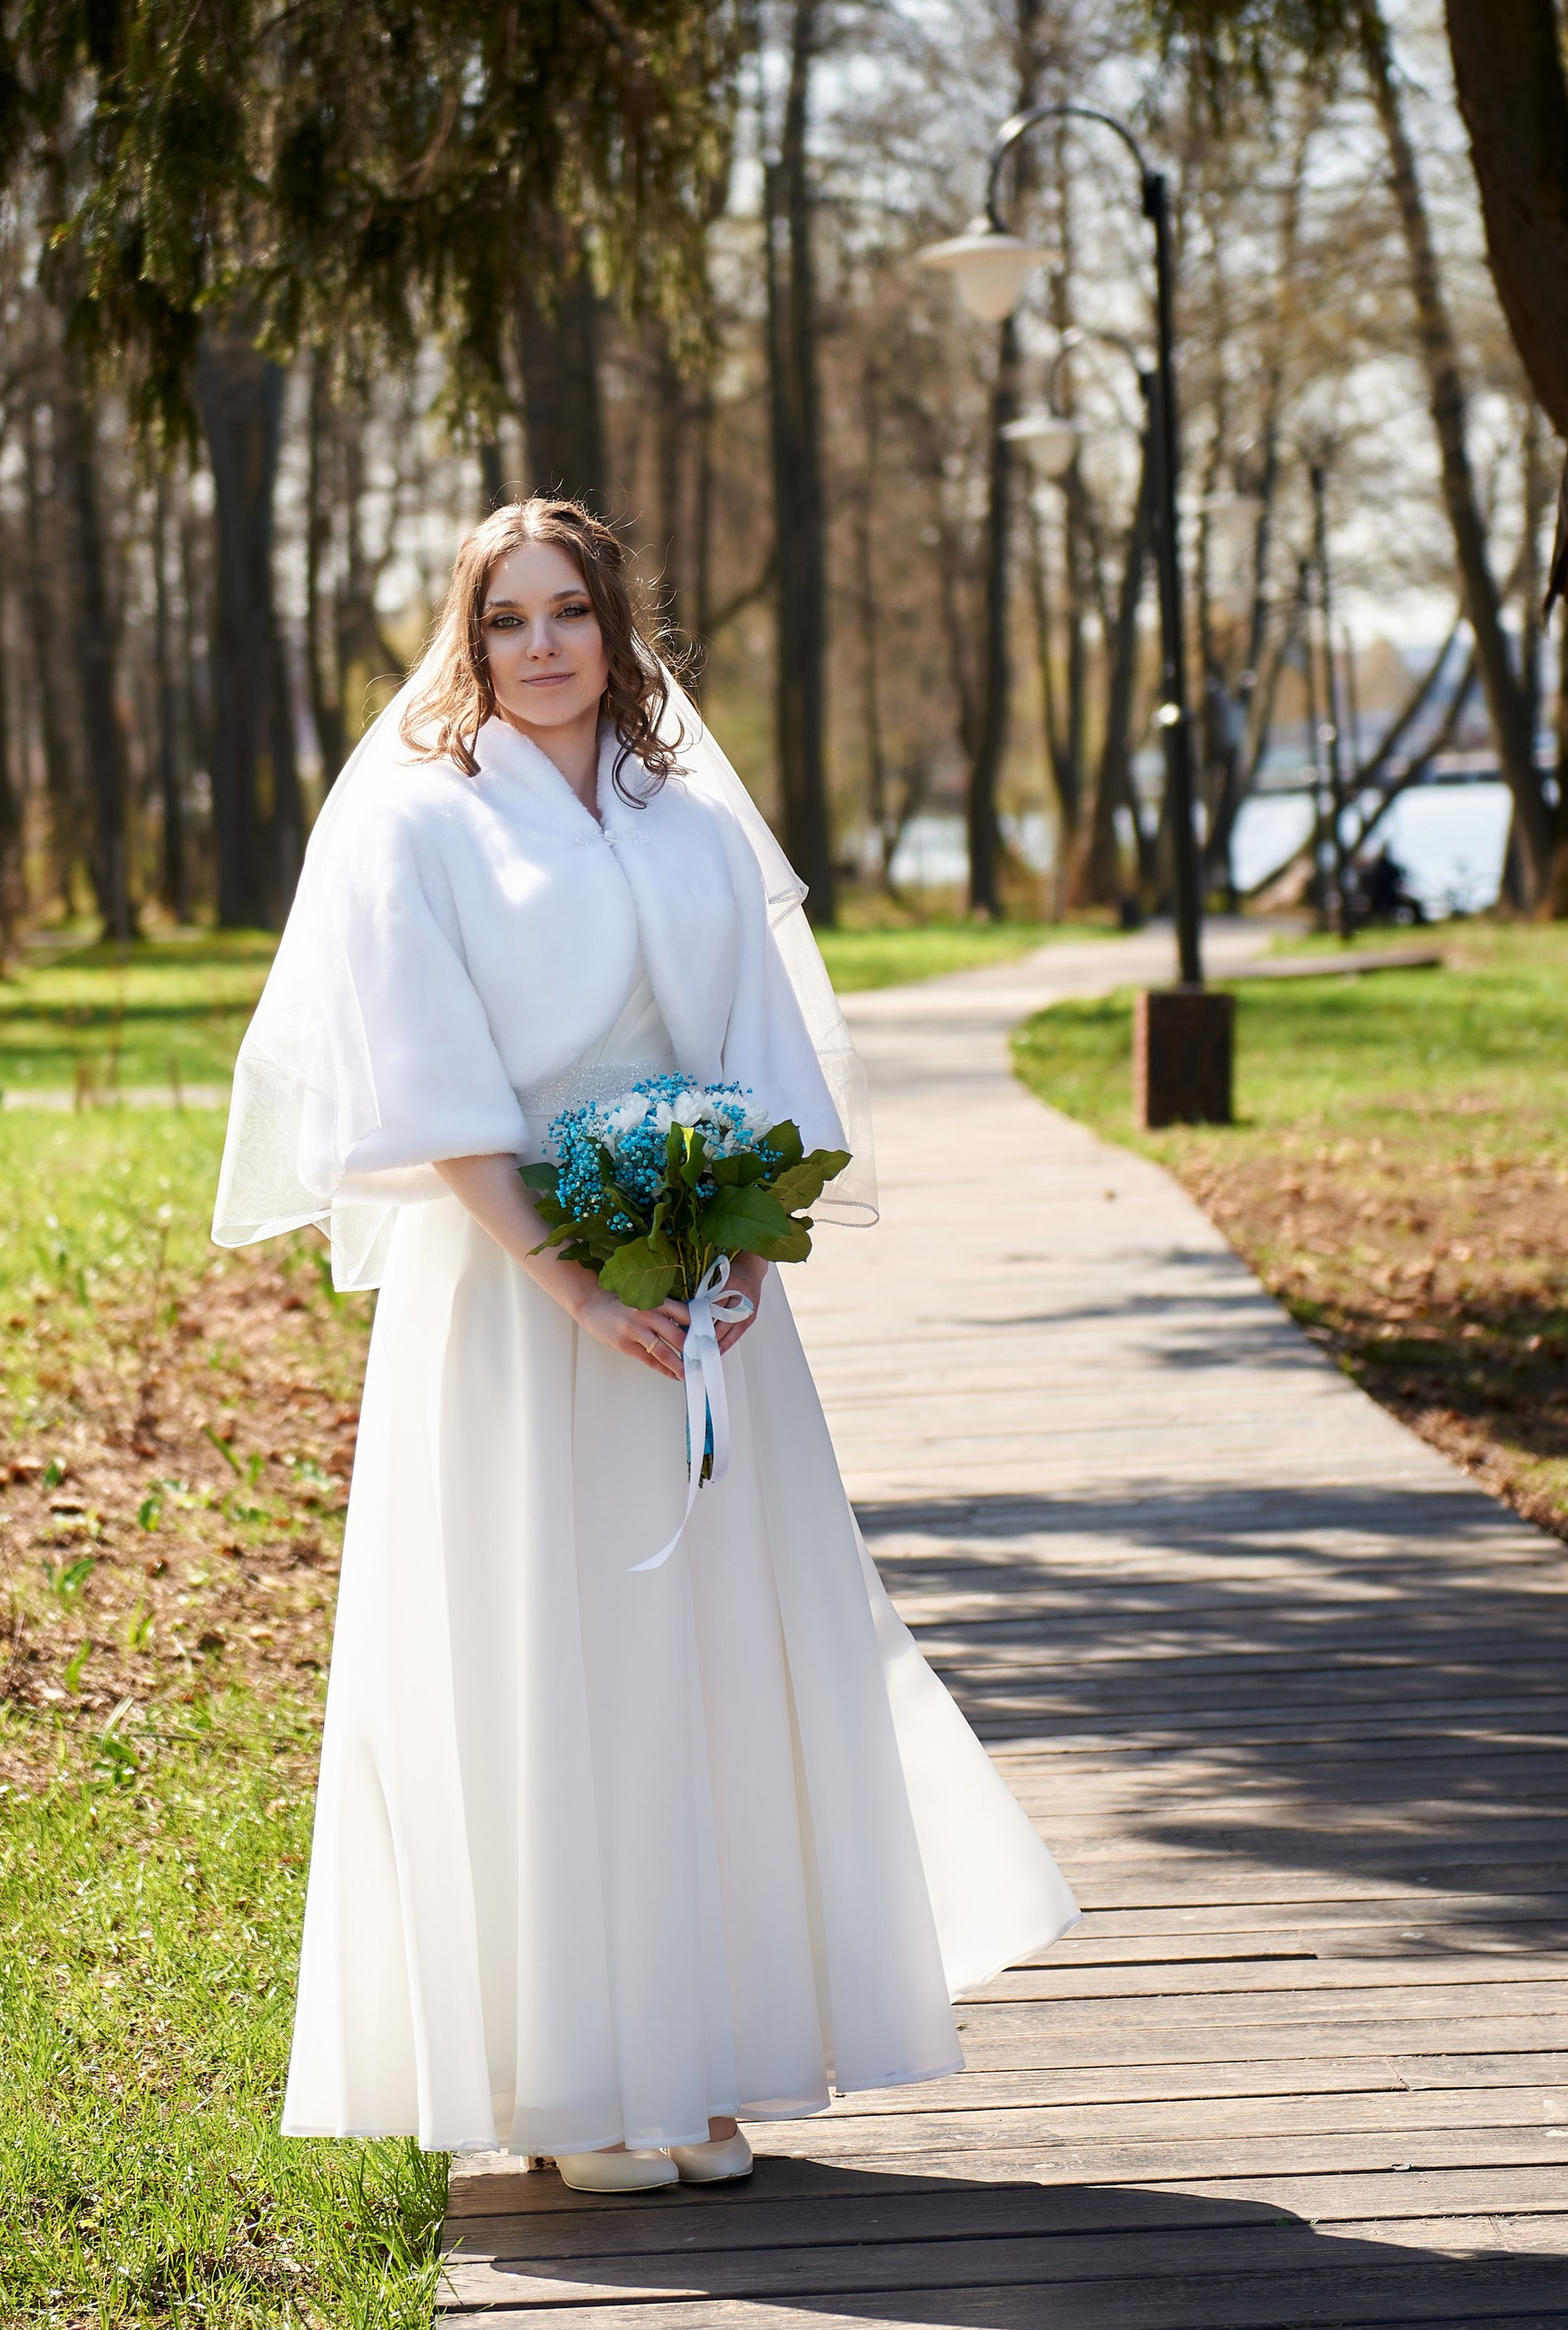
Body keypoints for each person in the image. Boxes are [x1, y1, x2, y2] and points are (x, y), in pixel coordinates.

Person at [212, 497, 1074, 2194]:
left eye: (569, 614)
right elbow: (436, 1097)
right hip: (525, 1311)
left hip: (699, 1308)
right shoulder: (418, 827)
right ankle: (571, 2087)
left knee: (702, 1674)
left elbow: (757, 1046)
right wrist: (582, 1290)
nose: (542, 648)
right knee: (546, 1669)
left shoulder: (683, 820)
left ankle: (700, 2056)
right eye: (507, 621)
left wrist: (743, 1246)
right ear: (470, 644)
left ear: (617, 626)